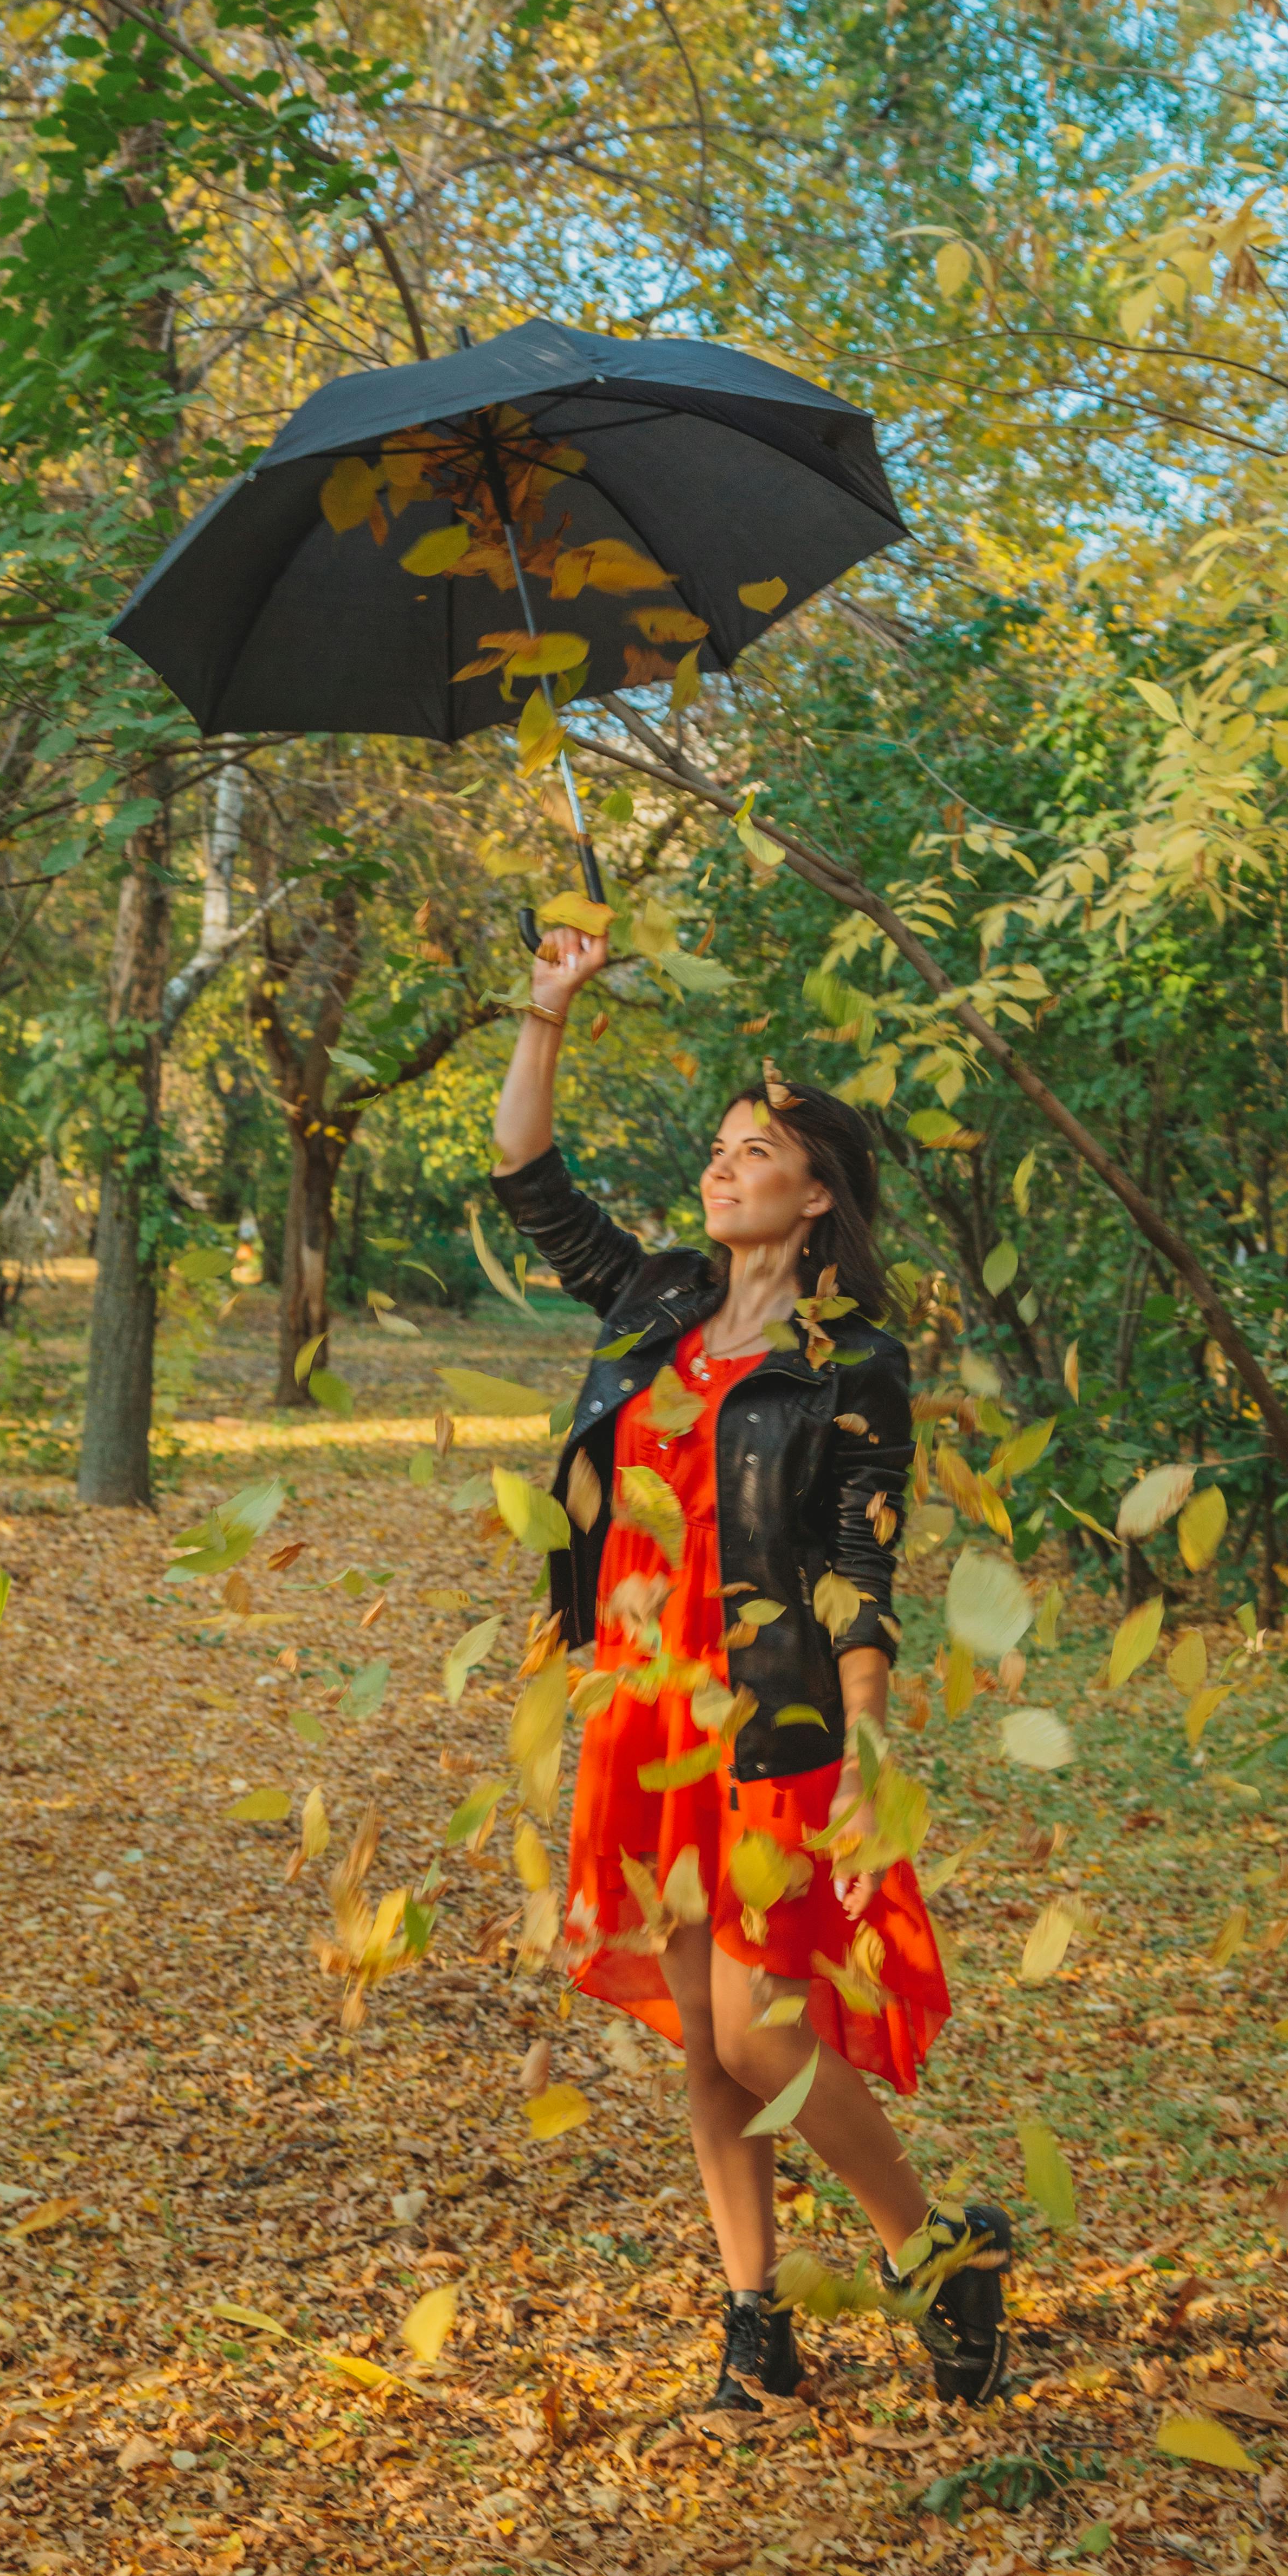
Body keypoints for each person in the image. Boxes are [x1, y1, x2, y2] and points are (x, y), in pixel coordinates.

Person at [491, 922, 1013, 2421]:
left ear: (816, 1189)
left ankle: (931, 2246)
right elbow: (530, 1182)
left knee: (756, 2019)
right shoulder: (654, 1298)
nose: (719, 1170)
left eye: (750, 1151)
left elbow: (862, 1545)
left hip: (771, 1705)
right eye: (717, 1148)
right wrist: (547, 1007)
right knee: (697, 2036)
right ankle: (751, 2317)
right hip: (641, 1707)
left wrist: (863, 1734)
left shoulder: (854, 1355)